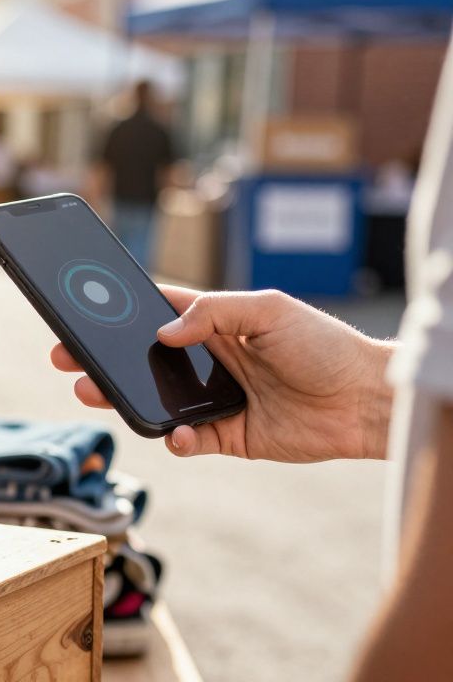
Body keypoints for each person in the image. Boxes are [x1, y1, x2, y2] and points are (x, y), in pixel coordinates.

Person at [49, 39, 453, 680]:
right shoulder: (155, 128)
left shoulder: (118, 126)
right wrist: (366, 397)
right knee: (134, 272)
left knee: (118, 271)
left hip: (118, 204)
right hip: (146, 203)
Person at [93, 80, 175, 268]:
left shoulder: (118, 129)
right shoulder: (159, 130)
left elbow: (103, 167)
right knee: (140, 254)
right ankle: (138, 293)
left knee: (118, 250)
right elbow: (168, 171)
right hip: (146, 199)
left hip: (119, 197)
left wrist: (97, 195)